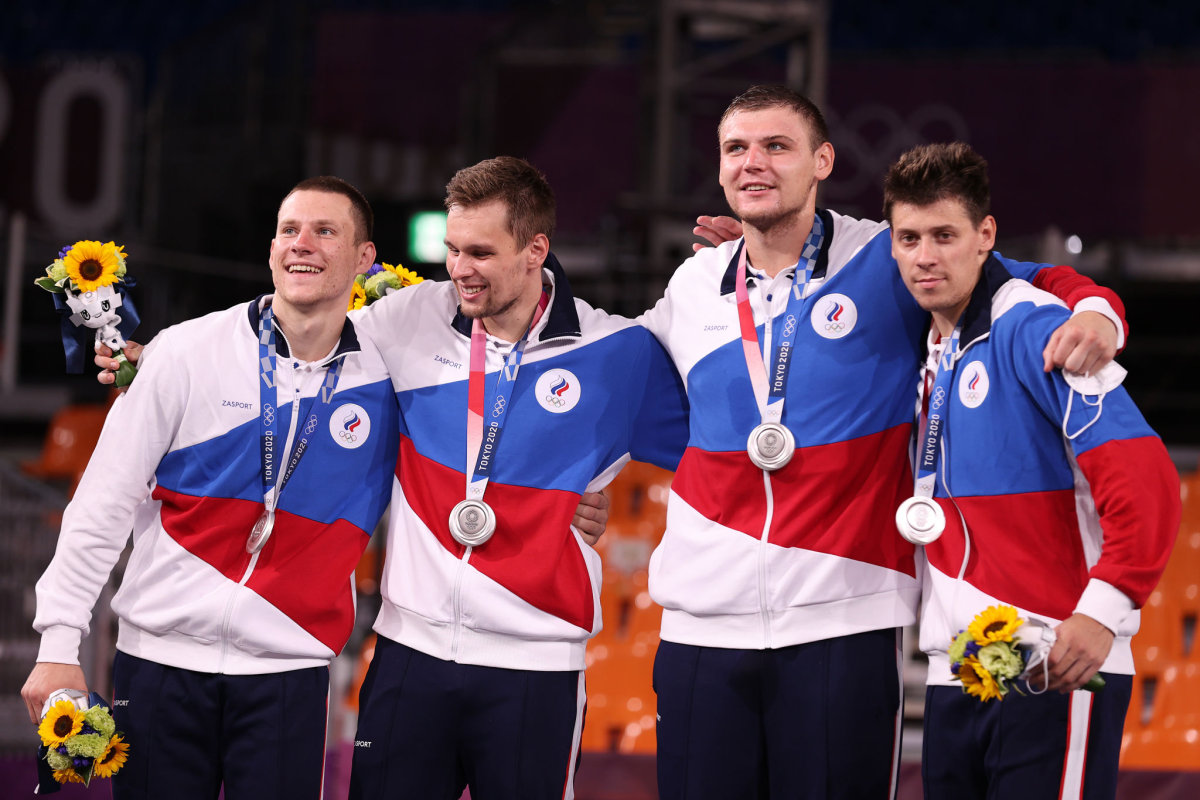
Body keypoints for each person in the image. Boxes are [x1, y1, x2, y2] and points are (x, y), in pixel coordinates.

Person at [25, 175, 610, 799]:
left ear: (364, 259)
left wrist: (570, 493)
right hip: (159, 662)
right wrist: (60, 639)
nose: (301, 244)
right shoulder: (187, 352)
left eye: (325, 231)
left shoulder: (395, 373)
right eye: (288, 230)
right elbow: (102, 502)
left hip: (290, 676)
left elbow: (494, 402)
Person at [638, 85, 1132, 799]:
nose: (755, 163)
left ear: (823, 161)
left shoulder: (888, 256)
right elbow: (608, 381)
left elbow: (1020, 280)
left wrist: (1097, 310)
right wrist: (586, 487)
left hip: (845, 616)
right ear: (718, 169)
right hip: (701, 630)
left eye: (777, 146)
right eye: (737, 149)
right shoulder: (694, 284)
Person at [343, 156, 690, 800]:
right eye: (451, 250)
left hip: (534, 667)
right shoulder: (405, 321)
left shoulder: (616, 354)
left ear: (536, 250)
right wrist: (162, 362)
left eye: (480, 252)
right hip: (407, 655)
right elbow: (299, 362)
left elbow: (731, 429)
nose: (458, 271)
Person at [884, 142, 1178, 800]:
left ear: (984, 235)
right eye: (909, 238)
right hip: (961, 664)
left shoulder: (1038, 327)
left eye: (944, 235)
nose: (926, 256)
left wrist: (1103, 611)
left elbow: (1148, 480)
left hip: (1053, 652)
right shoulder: (922, 338)